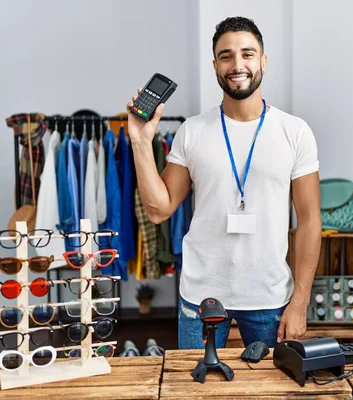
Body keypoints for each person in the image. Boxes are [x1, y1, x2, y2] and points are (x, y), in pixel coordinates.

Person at [126, 16, 321, 349]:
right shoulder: (193, 131)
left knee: (270, 393)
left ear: (263, 61)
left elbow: (309, 219)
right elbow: (158, 210)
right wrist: (140, 142)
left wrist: (300, 301)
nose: (237, 64)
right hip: (201, 296)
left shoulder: (295, 131)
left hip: (270, 296)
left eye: (247, 53)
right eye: (226, 55)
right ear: (215, 65)